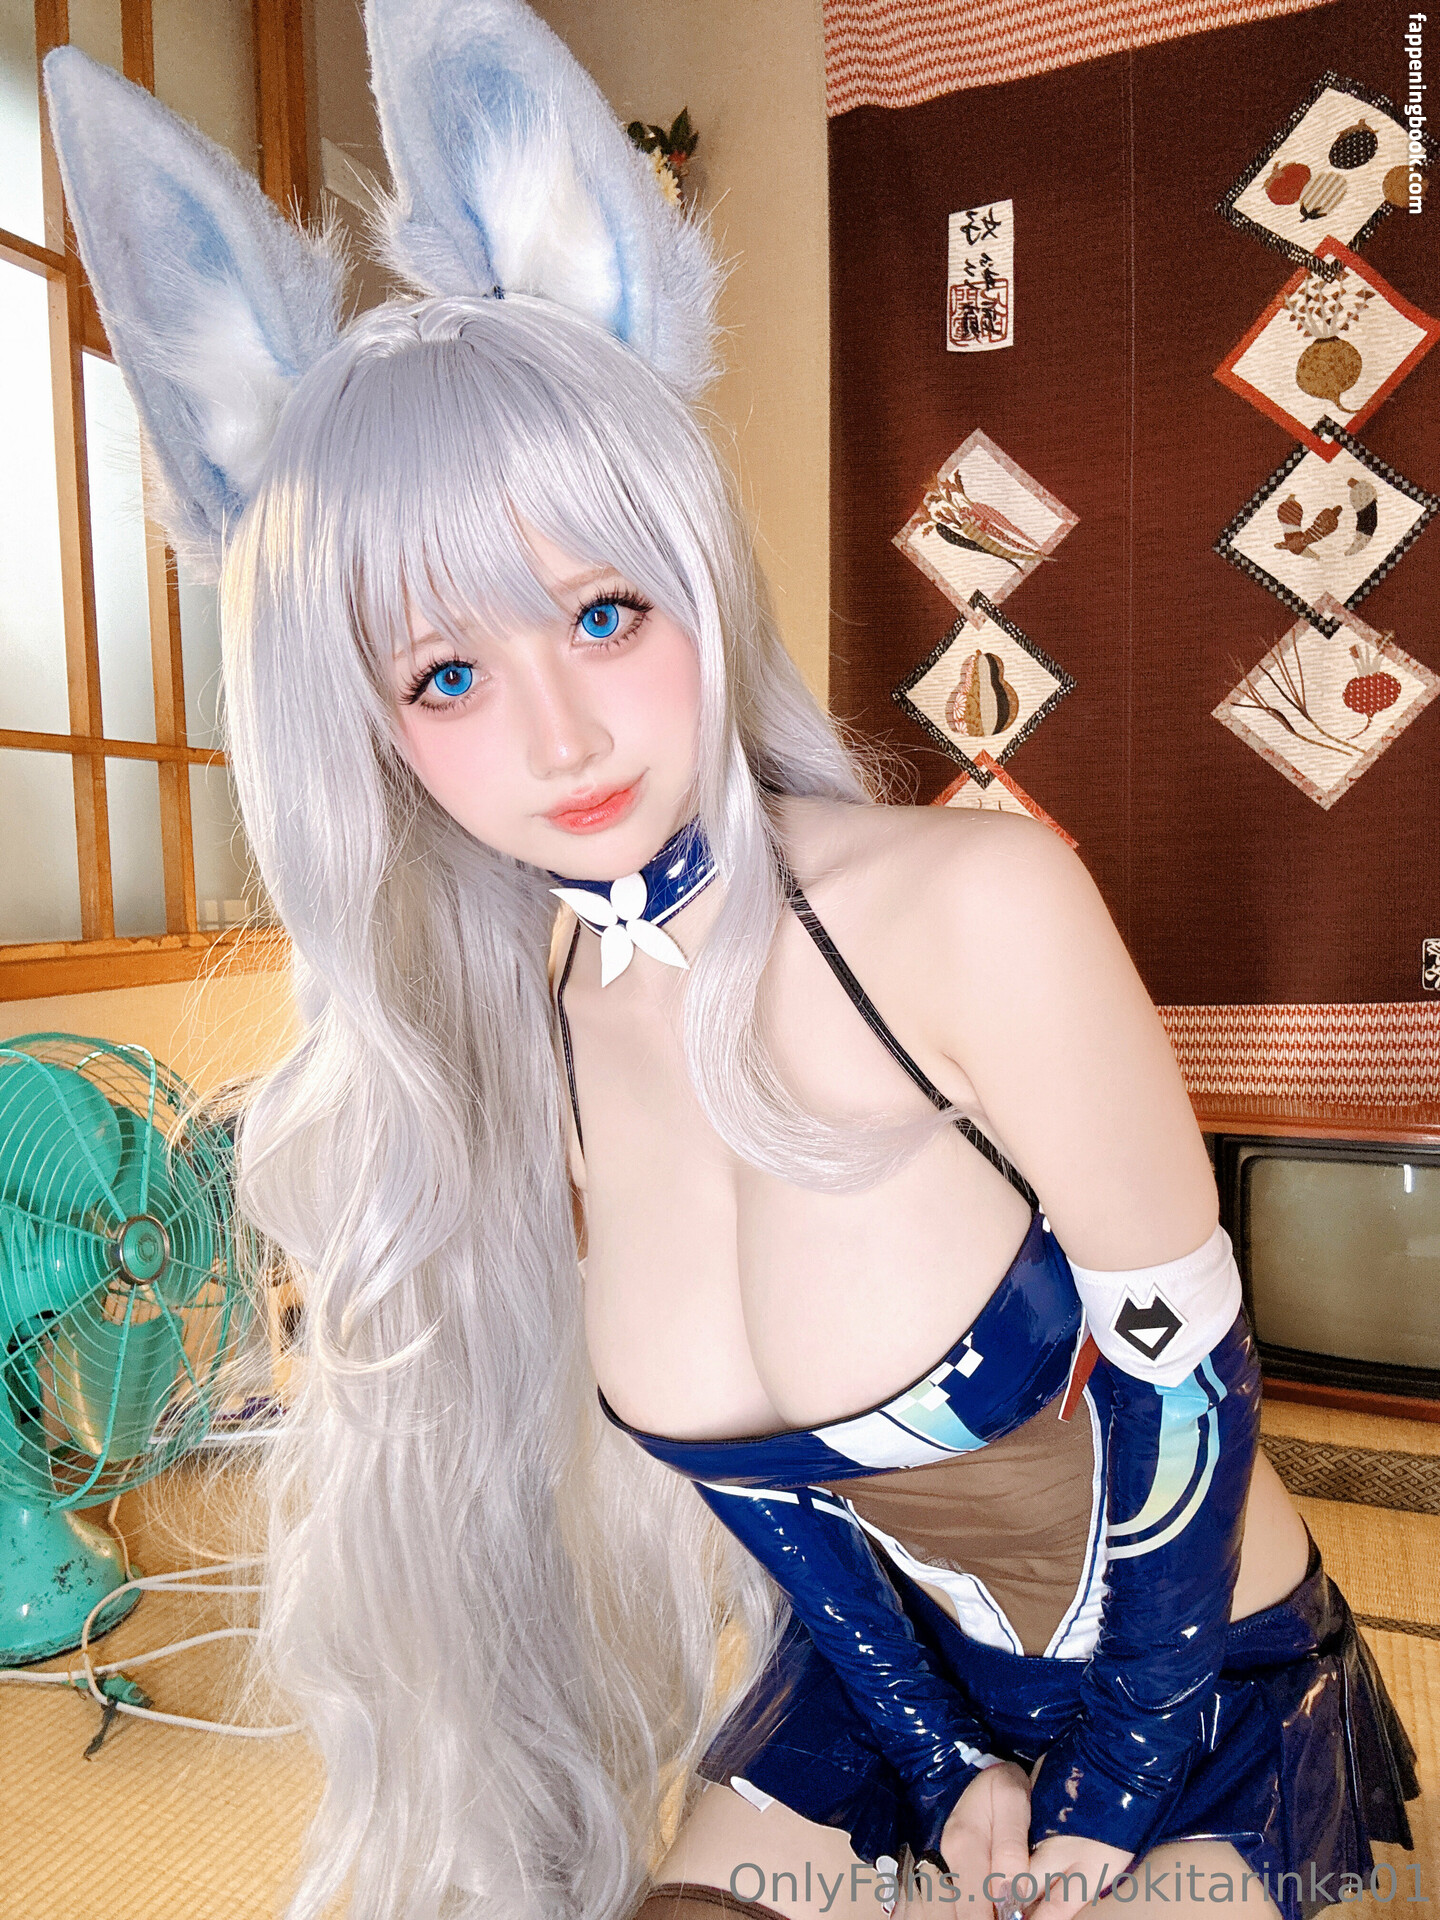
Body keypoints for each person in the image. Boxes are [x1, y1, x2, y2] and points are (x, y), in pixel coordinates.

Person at [44, 4, 1417, 1918]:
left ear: (695, 573)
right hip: (878, 1710)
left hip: (1198, 1698)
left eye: (604, 612)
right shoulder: (527, 1024)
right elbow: (769, 1503)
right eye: (446, 673)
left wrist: (1102, 1798)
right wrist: (939, 1770)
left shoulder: (967, 907)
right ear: (363, 734)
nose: (560, 736)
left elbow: (1186, 1391)